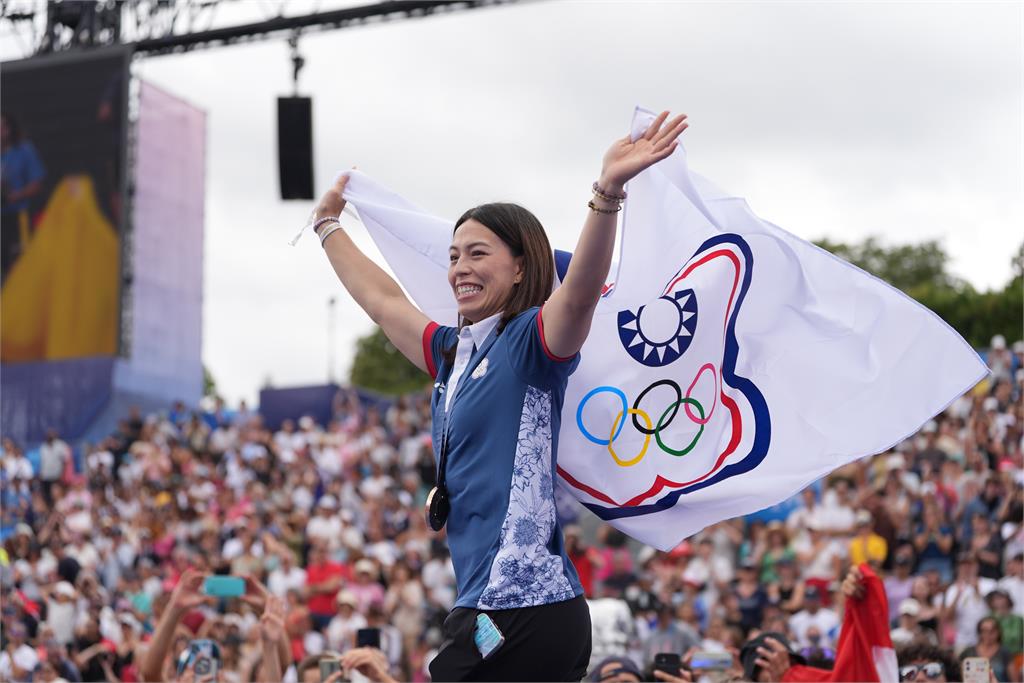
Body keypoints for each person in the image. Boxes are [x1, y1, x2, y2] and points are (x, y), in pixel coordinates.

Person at [309, 110, 689, 681]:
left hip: (527, 606)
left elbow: (581, 294)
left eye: (478, 253)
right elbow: (383, 303)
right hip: (483, 607)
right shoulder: (450, 355)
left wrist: (607, 193)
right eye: (455, 255)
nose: (459, 266)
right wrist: (327, 228)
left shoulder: (531, 344)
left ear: (519, 268)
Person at [958, 616, 1011, 682]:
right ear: (979, 633)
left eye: (992, 630)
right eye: (984, 630)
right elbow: (960, 677)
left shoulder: (1004, 652)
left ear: (998, 631)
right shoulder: (968, 652)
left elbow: (1014, 680)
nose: (988, 634)